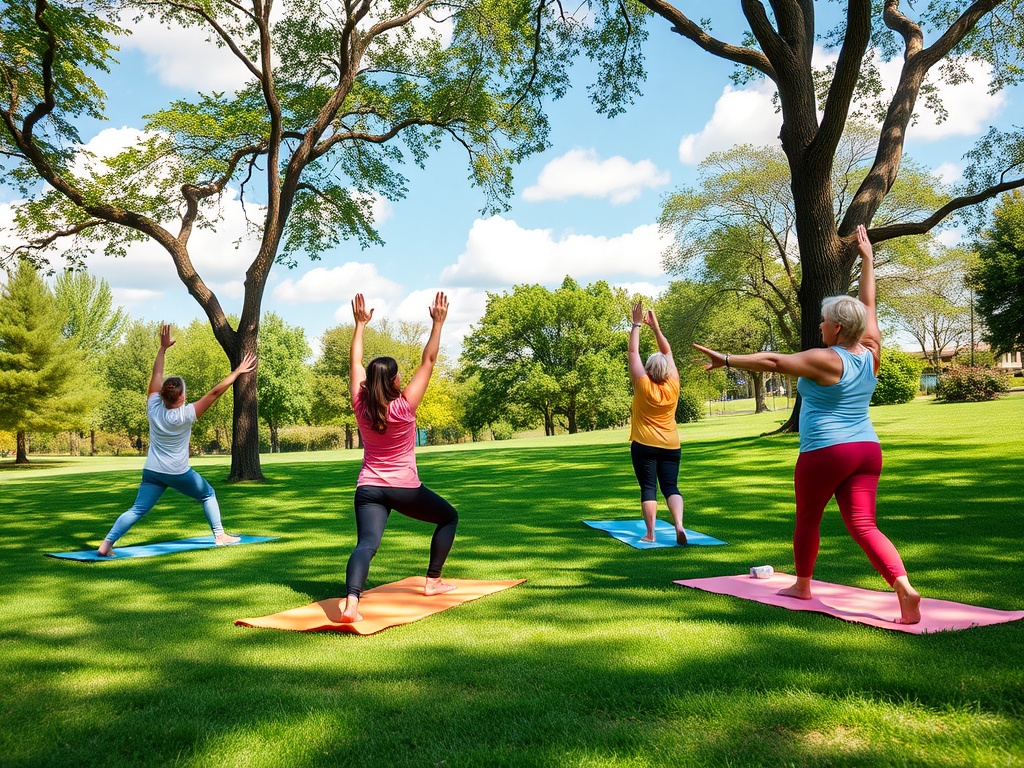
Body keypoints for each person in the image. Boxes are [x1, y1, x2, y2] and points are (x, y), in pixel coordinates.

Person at [693, 224, 921, 624]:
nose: (820, 324)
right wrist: (867, 261)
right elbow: (869, 306)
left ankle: (802, 585)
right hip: (866, 449)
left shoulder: (827, 359)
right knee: (865, 525)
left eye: (824, 320)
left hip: (825, 451)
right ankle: (903, 587)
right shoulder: (871, 351)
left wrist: (727, 359)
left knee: (808, 518)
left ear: (836, 328)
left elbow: (775, 361)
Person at [340, 292, 459, 623]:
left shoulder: (360, 405)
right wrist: (437, 323)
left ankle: (351, 604)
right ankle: (433, 581)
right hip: (404, 488)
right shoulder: (405, 406)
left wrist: (360, 326)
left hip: (368, 488)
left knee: (366, 545)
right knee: (448, 517)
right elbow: (429, 361)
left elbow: (354, 363)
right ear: (394, 380)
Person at [98, 325, 257, 556]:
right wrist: (238, 371)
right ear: (181, 397)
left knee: (137, 509)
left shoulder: (153, 406)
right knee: (208, 494)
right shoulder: (185, 415)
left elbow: (157, 376)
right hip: (177, 472)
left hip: (152, 470)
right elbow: (214, 393)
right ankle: (220, 535)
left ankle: (107, 544)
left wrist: (162, 350)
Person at [627, 299, 686, 544]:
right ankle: (679, 525)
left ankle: (650, 534)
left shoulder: (643, 385)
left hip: (644, 444)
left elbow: (633, 352)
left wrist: (636, 324)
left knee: (649, 488)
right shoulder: (673, 384)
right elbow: (667, 352)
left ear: (648, 370)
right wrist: (656, 328)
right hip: (671, 445)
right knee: (671, 487)